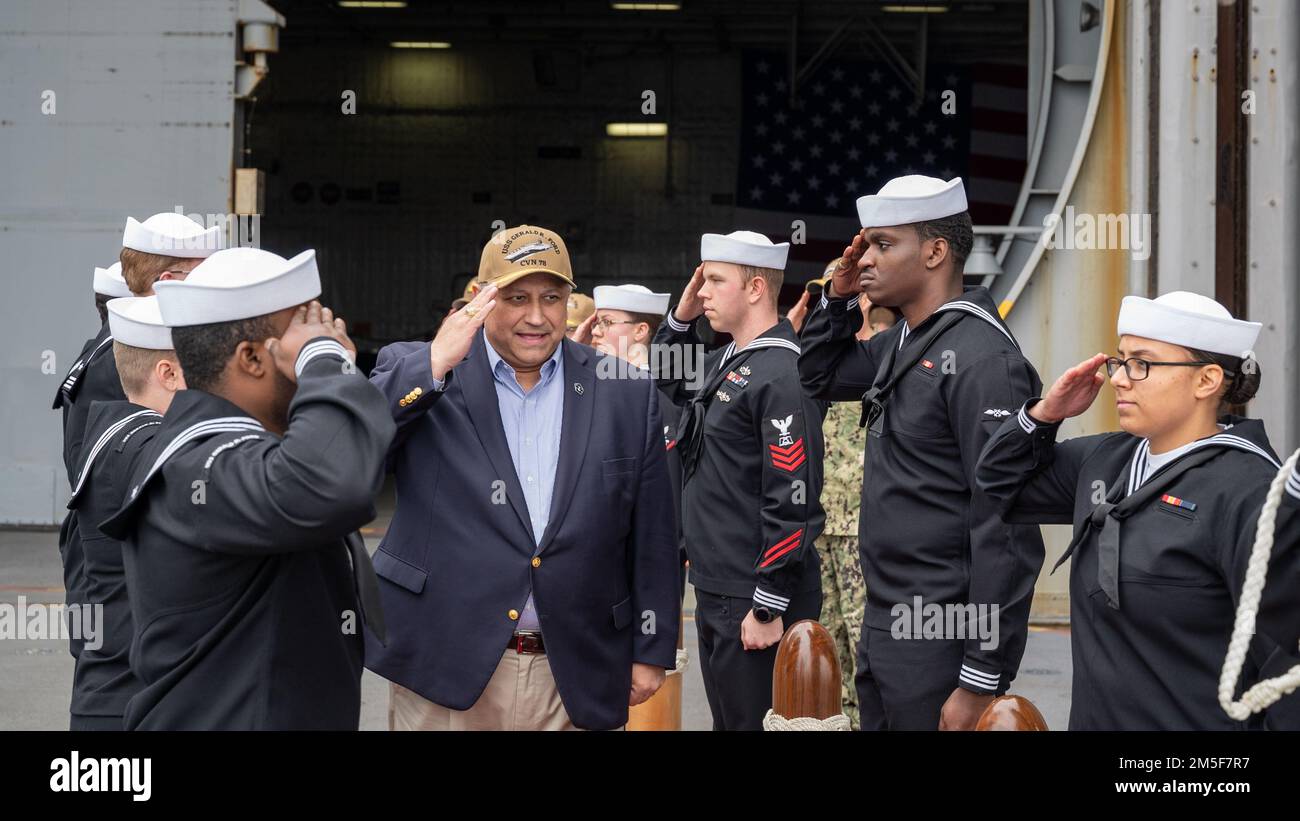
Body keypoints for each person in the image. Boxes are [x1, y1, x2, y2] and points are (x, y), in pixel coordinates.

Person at [365, 225, 680, 731]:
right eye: (516, 298)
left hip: (575, 670)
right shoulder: (423, 371)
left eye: (552, 297)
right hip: (445, 668)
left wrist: (652, 646)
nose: (536, 316)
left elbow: (654, 535)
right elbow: (355, 453)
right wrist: (434, 364)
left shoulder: (623, 392)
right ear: (484, 299)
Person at [976, 291, 1299, 729]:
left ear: (1205, 381)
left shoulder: (1252, 492)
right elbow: (999, 484)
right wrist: (1045, 414)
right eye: (1120, 361)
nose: (1120, 379)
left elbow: (1284, 664)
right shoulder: (1108, 461)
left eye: (1142, 364)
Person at [100, 247, 393, 729]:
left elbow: (335, 454)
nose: (322, 339)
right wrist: (325, 361)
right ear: (252, 358)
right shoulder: (198, 464)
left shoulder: (231, 448)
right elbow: (333, 484)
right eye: (299, 335)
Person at [798, 175, 1045, 730]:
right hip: (887, 622)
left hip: (941, 634)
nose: (865, 259)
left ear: (935, 252)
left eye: (883, 245)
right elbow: (817, 373)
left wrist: (981, 675)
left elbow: (1003, 525)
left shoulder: (983, 360)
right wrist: (836, 299)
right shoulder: (909, 340)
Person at [654, 229, 825, 731]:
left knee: (754, 723)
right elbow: (666, 377)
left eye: (714, 280)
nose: (701, 290)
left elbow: (792, 497)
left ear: (754, 289)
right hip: (718, 586)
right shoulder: (729, 363)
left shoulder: (781, 372)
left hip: (752, 595)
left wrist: (769, 604)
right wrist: (681, 318)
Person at [64, 296, 182, 730]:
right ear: (167, 373)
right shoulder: (145, 450)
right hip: (130, 702)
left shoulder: (119, 431)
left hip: (114, 694)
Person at [807, 277, 897, 730]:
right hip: (821, 520)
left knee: (865, 643)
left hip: (861, 524)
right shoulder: (821, 363)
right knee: (827, 640)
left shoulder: (881, 354)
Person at [590, 284, 687, 598]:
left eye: (607, 322)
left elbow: (672, 491)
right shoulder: (588, 392)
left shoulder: (665, 398)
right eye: (596, 323)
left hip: (647, 564)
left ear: (641, 330)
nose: (596, 332)